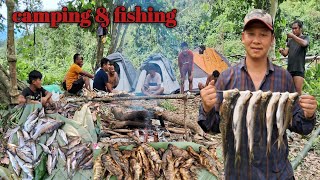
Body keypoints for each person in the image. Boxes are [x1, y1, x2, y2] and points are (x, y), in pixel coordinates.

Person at [199, 9, 317, 179]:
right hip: (239, 174)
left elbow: (300, 126)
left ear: (272, 39)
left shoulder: (284, 78)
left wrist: (308, 114)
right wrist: (207, 107)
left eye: (263, 34)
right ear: (243, 37)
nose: (256, 40)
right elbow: (213, 126)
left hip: (277, 174)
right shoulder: (227, 78)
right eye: (251, 34)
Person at [279, 20, 309, 95]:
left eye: (295, 28)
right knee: (288, 92)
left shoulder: (305, 38)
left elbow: (304, 44)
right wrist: (281, 50)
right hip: (290, 69)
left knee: (298, 93)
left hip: (299, 69)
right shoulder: (290, 41)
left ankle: (299, 106)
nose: (293, 30)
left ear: (300, 28)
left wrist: (293, 36)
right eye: (292, 28)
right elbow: (285, 53)